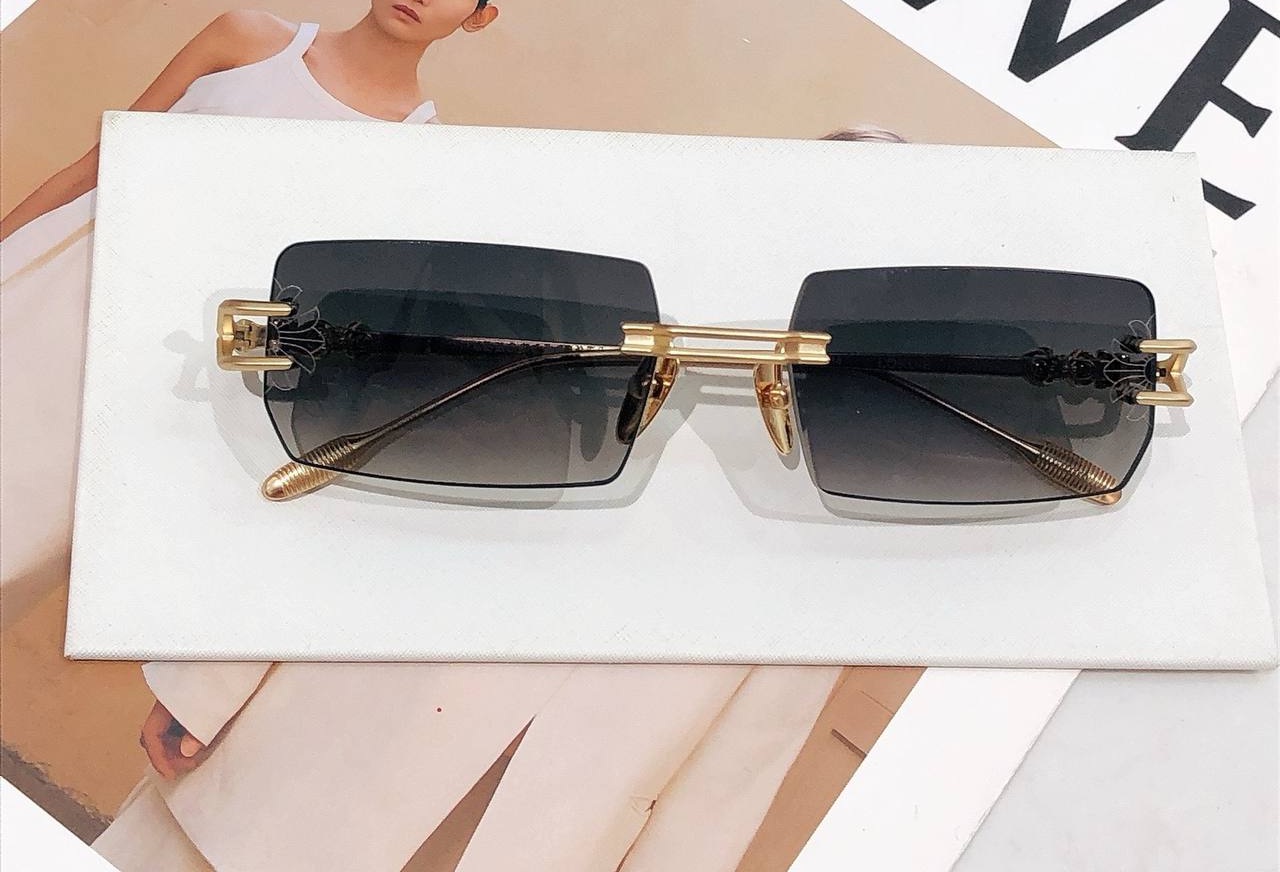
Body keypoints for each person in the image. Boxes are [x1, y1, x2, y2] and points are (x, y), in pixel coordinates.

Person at [86, 126, 909, 872]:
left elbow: (749, 750)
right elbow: (370, 492)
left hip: (546, 830)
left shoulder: (872, 476)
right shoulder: (584, 319)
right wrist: (211, 680)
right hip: (328, 742)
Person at [0, 0, 506, 621]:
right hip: (57, 273)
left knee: (25, 516)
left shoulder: (417, 150)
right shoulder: (246, 38)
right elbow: (96, 164)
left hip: (158, 349)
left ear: (477, 18)